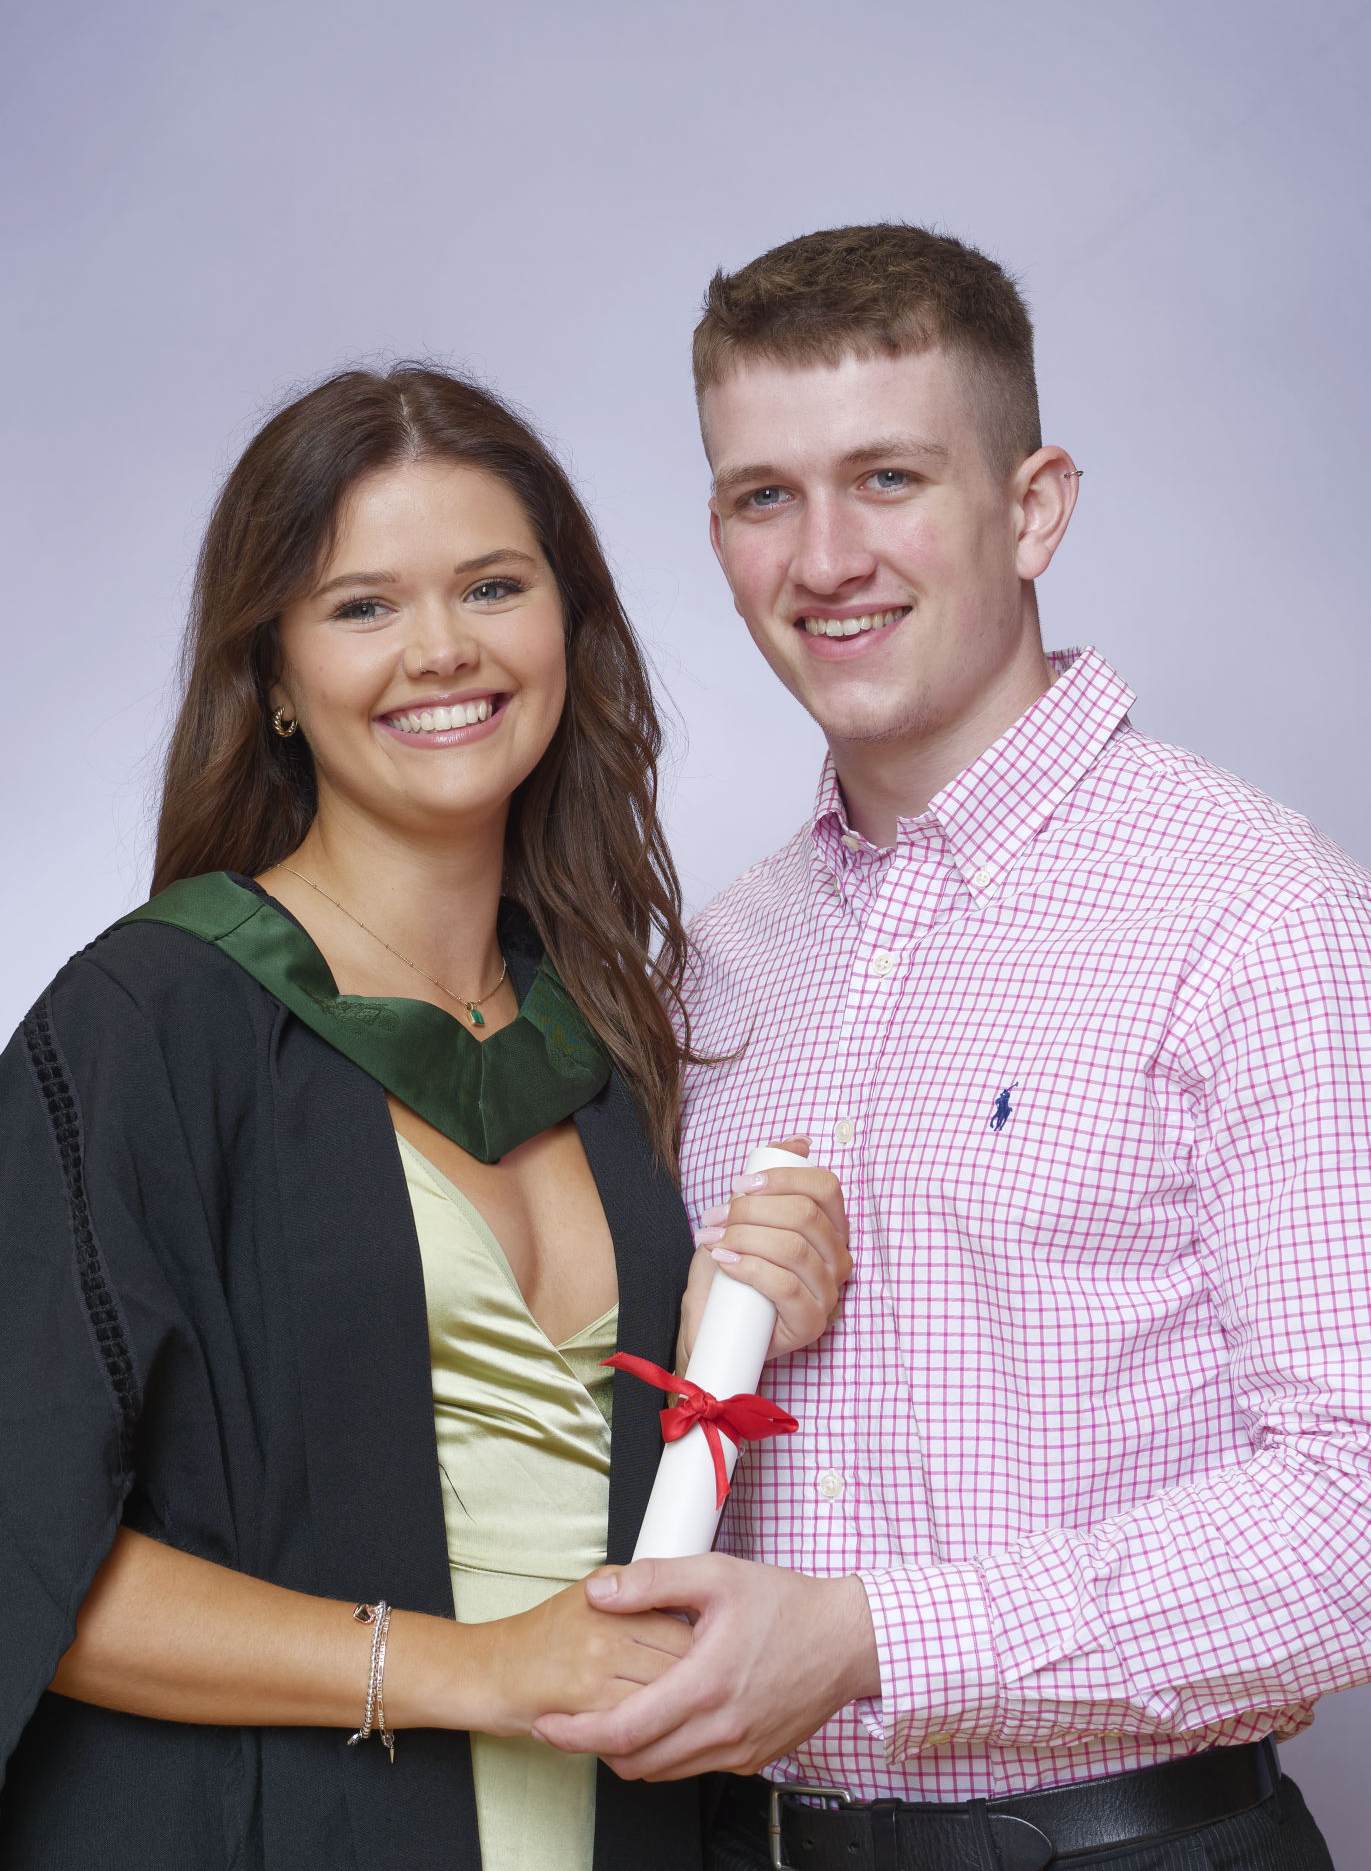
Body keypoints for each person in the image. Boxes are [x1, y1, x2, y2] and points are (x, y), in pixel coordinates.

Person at [535, 225, 1371, 1870]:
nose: (824, 557)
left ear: (1034, 506)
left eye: (888, 479)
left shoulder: (1261, 918)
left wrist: (872, 1642)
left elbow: (1356, 1516)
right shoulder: (716, 968)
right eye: (763, 496)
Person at [0, 364, 852, 1871]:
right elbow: (23, 1551)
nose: (443, 648)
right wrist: (479, 1668)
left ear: (568, 626)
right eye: (363, 606)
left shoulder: (614, 1040)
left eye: (492, 586)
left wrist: (726, 1334)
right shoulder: (154, 1022)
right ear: (273, 674)